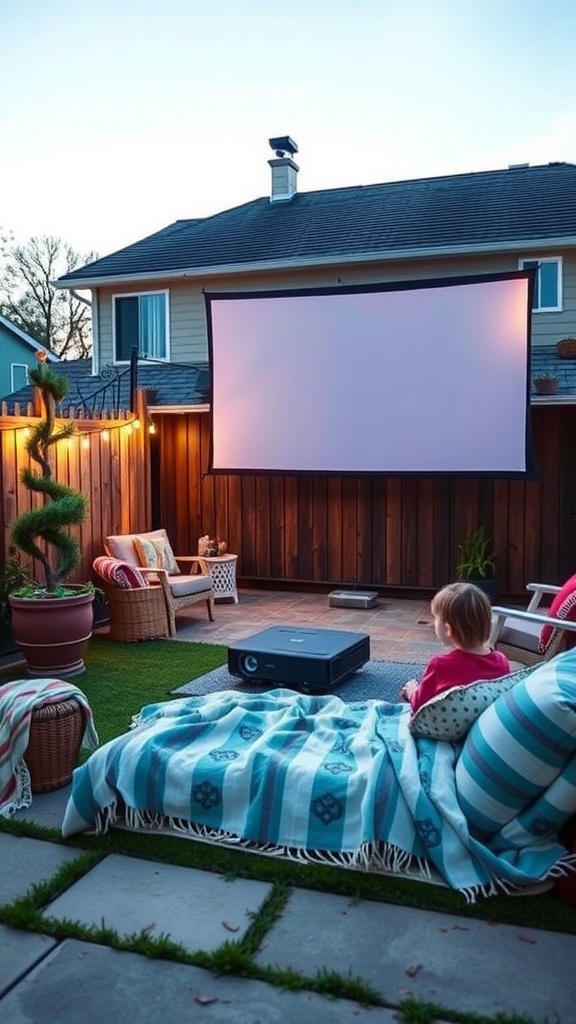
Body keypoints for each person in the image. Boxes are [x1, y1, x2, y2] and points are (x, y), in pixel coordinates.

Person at [400, 581, 510, 714]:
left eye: (436, 618)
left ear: (448, 629)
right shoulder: (501, 661)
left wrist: (412, 691)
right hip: (481, 724)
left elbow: (419, 705)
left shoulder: (440, 665)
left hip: (445, 730)